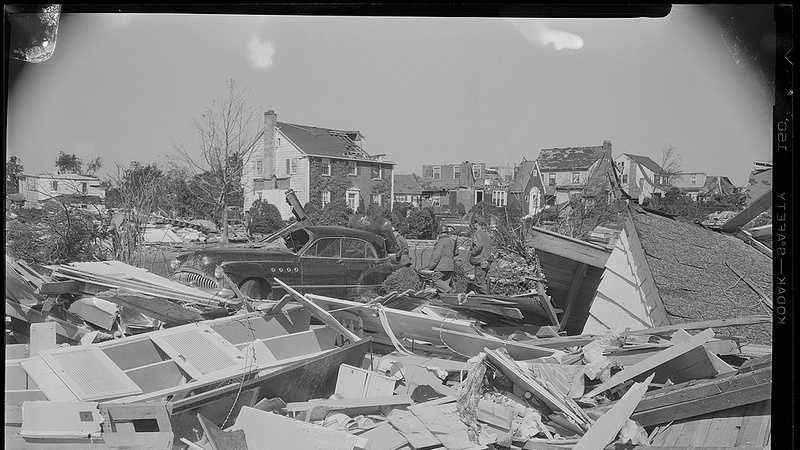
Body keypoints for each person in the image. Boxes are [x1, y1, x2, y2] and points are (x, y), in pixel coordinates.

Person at [425, 227, 456, 293]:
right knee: (444, 285)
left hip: (441, 267)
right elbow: (456, 252)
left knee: (435, 279)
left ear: (439, 233)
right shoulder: (452, 241)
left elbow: (436, 256)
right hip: (450, 266)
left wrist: (430, 267)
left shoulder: (440, 242)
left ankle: (450, 291)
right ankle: (445, 298)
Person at [469, 218, 494, 293]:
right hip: (487, 261)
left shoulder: (478, 233)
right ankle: (483, 297)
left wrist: (472, 252)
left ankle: (488, 299)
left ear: (476, 224)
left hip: (481, 261)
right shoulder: (486, 234)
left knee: (479, 282)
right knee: (482, 281)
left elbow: (478, 247)